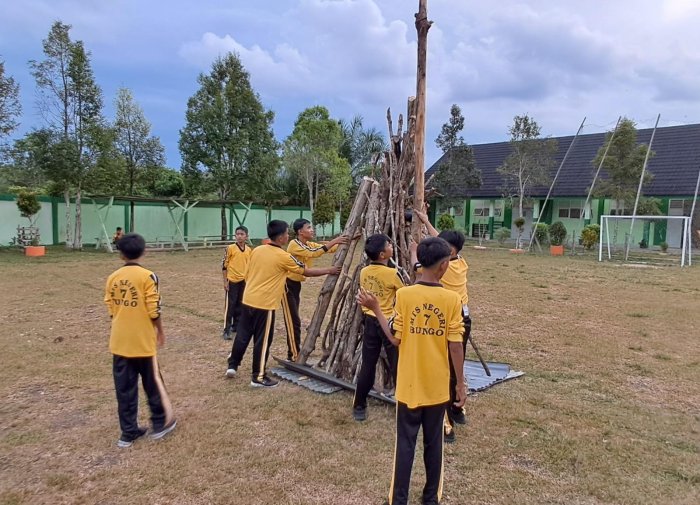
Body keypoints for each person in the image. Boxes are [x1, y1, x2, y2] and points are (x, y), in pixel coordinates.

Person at [357, 237, 466, 505]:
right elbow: (455, 346)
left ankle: (399, 499)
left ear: (422, 264)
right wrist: (460, 384)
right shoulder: (452, 299)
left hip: (408, 386)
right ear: (443, 266)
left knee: (405, 444)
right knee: (434, 444)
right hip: (437, 387)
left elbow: (395, 339)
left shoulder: (405, 295)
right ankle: (430, 498)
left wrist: (376, 310)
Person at [226, 220, 341, 387]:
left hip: (248, 298)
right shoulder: (283, 256)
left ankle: (232, 365)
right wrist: (329, 270)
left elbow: (249, 272)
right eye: (287, 233)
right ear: (281, 238)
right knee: (263, 340)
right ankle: (258, 377)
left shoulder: (257, 250)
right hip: (265, 304)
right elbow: (306, 271)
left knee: (243, 334)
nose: (288, 236)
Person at [104, 233, 176, 448]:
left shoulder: (113, 277)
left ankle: (128, 432)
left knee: (124, 388)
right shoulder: (148, 276)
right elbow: (154, 309)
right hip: (143, 342)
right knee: (153, 383)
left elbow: (110, 307)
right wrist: (160, 330)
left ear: (121, 255)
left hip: (120, 341)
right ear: (144, 252)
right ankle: (161, 423)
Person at [414, 210, 471, 442]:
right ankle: (457, 409)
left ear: (450, 254)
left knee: (444, 369)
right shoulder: (461, 262)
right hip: (463, 318)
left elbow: (419, 267)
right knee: (456, 366)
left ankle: (447, 422)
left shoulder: (442, 269)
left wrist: (414, 252)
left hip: (447, 319)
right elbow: (441, 241)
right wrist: (426, 221)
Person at [352, 233, 404, 422]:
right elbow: (405, 293)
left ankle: (359, 405)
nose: (392, 246)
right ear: (383, 254)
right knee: (397, 364)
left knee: (368, 363)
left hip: (369, 321)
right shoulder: (393, 274)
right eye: (389, 245)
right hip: (388, 323)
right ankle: (403, 404)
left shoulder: (364, 271)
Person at [283, 218, 348, 361]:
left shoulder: (308, 243)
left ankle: (294, 352)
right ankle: (293, 355)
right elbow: (315, 253)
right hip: (286, 285)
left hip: (296, 285)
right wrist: (335, 242)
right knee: (293, 321)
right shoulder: (294, 245)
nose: (312, 230)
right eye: (309, 227)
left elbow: (328, 248)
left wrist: (346, 240)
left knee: (295, 320)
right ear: (300, 232)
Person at [221, 226, 252, 340]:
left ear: (246, 236)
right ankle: (226, 329)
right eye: (237, 234)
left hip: (243, 281)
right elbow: (224, 266)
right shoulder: (230, 248)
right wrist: (225, 281)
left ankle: (236, 326)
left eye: (242, 234)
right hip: (232, 280)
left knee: (240, 304)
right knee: (231, 305)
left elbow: (250, 266)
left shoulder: (249, 250)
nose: (239, 236)